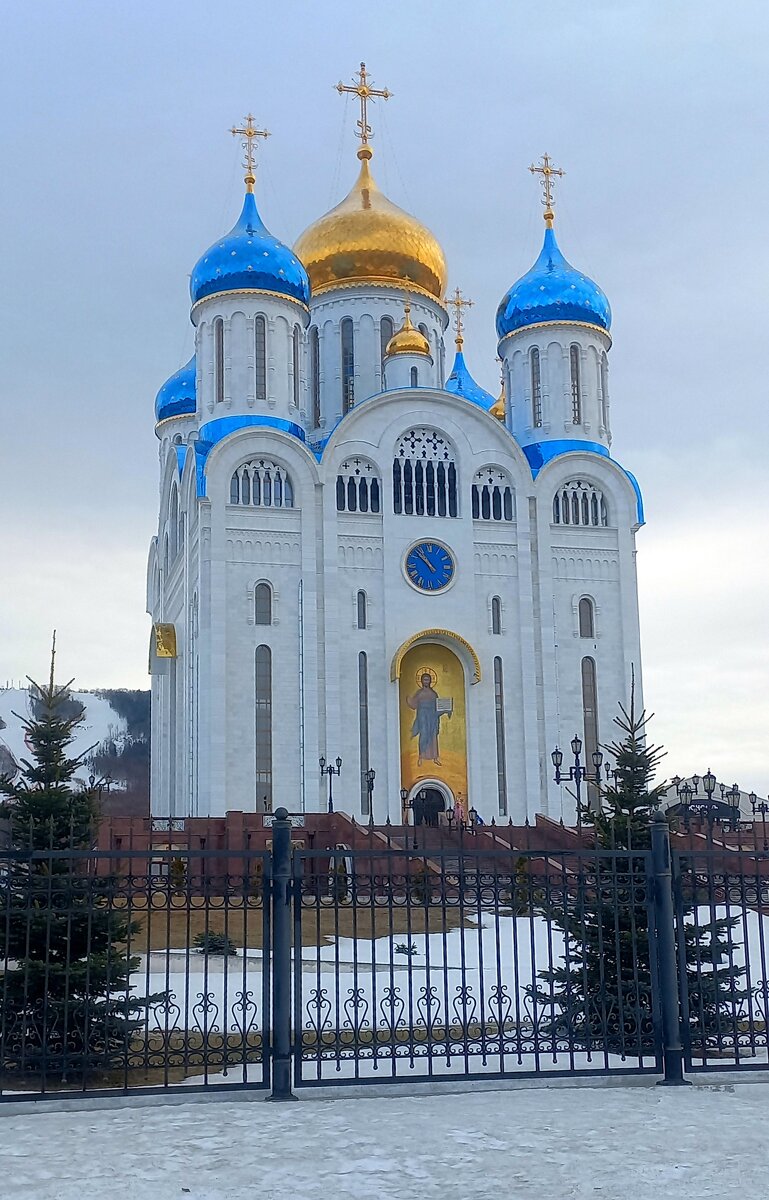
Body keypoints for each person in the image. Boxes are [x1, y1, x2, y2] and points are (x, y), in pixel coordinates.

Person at [407, 673, 448, 765]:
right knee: (424, 734)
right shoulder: (419, 693)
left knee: (433, 736)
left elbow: (438, 706)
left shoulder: (433, 693)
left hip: (432, 717)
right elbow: (414, 704)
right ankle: (421, 757)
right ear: (421, 681)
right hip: (423, 716)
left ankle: (435, 757)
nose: (426, 681)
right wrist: (408, 699)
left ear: (430, 681)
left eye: (427, 680)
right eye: (424, 680)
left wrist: (445, 708)